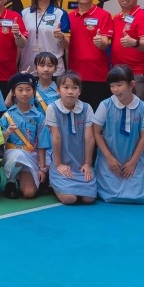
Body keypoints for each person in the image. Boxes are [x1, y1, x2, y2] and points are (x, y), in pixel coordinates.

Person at [93, 65, 144, 204]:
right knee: (109, 196)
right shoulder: (105, 105)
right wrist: (109, 158)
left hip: (132, 160)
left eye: (119, 85)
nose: (115, 89)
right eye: (112, 86)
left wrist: (132, 162)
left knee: (137, 198)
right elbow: (96, 132)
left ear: (132, 84)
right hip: (109, 160)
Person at [45, 71, 96, 205]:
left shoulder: (87, 108)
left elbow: (89, 137)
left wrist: (87, 164)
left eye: (74, 88)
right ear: (58, 90)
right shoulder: (52, 108)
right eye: (65, 87)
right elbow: (56, 138)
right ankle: (53, 183)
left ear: (79, 91)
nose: (70, 91)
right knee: (70, 199)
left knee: (89, 199)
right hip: (62, 162)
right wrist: (58, 165)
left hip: (80, 163)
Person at [67, 0, 114, 108]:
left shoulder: (104, 15)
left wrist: (101, 42)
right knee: (76, 113)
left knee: (97, 115)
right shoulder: (68, 17)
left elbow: (105, 43)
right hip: (75, 76)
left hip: (98, 75)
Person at [0, 72, 48, 200]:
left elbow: (42, 145)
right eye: (20, 90)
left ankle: (20, 177)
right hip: (11, 155)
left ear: (34, 92)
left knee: (29, 193)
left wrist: (42, 169)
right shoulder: (7, 115)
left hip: (31, 155)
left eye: (28, 89)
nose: (25, 93)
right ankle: (10, 182)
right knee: (18, 155)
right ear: (13, 93)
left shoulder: (39, 117)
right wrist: (7, 133)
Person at [110, 0, 144, 103]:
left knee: (138, 108)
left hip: (138, 74)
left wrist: (134, 43)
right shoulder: (117, 17)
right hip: (118, 73)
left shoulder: (143, 17)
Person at [18, 0, 69, 73]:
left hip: (54, 70)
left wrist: (61, 38)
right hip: (28, 68)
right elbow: (19, 45)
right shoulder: (24, 13)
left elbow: (65, 46)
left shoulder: (61, 13)